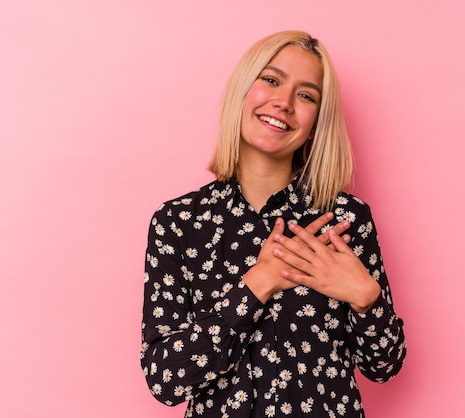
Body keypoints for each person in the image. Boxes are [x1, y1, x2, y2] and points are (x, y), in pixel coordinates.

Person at [141, 30, 406, 417]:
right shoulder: (179, 223)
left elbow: (383, 367)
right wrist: (258, 283)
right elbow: (164, 380)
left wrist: (366, 298)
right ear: (243, 92)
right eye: (271, 80)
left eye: (306, 95)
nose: (283, 102)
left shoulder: (345, 221)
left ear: (315, 122)